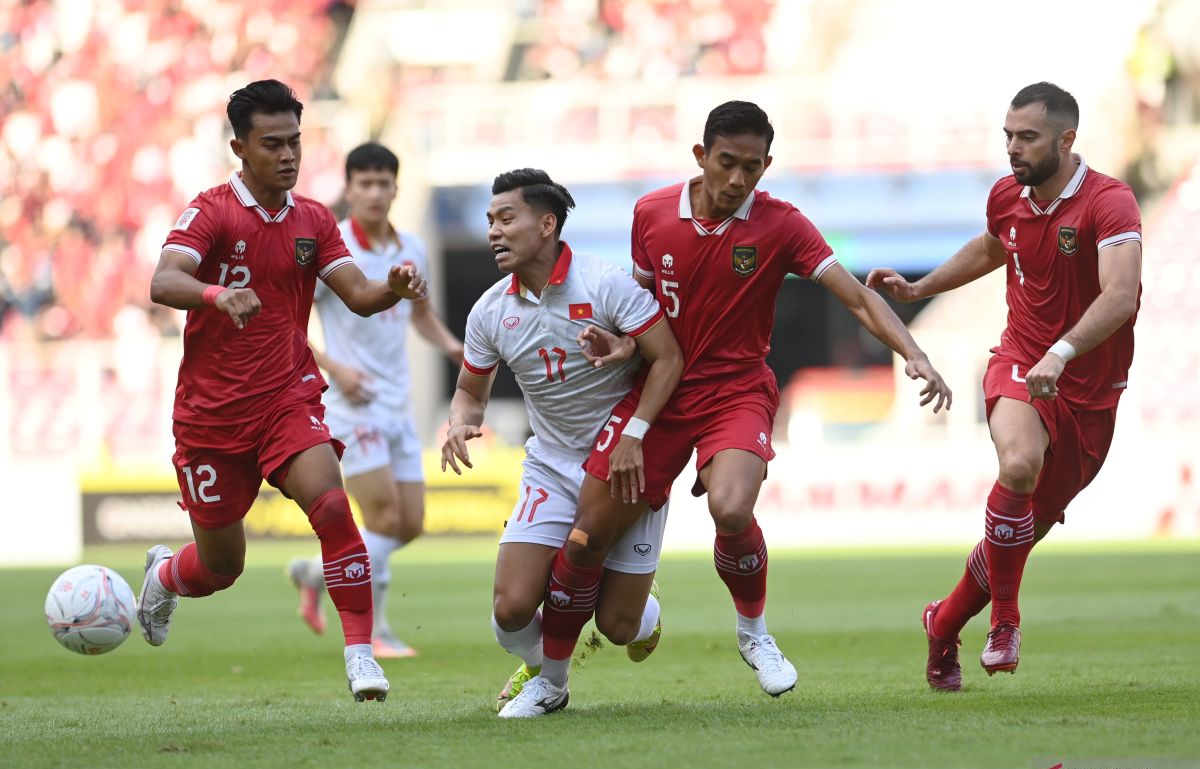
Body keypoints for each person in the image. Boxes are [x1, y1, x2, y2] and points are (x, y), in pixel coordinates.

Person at [529, 100, 952, 705]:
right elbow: (643, 307)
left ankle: (753, 633)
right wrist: (621, 342)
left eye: (752, 168)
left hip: (736, 391)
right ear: (700, 156)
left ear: (766, 165)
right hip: (660, 389)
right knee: (585, 542)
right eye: (726, 163)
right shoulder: (651, 213)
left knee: (730, 508)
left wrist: (914, 352)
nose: (737, 180)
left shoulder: (782, 224)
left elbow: (856, 298)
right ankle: (551, 681)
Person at [140, 79, 428, 702]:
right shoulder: (212, 210)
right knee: (221, 566)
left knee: (331, 508)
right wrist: (218, 294)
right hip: (211, 416)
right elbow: (164, 281)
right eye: (273, 144)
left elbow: (356, 294)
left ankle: (360, 655)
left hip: (286, 398)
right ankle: (165, 576)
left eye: (295, 142)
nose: (289, 155)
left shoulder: (314, 219)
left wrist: (394, 288)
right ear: (240, 148)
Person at [867, 82, 1143, 691]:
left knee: (1016, 538)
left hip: (1088, 390)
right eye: (1008, 136)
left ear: (1067, 140)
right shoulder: (1006, 195)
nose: (1013, 149)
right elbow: (994, 245)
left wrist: (1065, 351)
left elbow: (1120, 295)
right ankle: (1006, 622)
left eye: (1028, 138)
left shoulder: (1110, 202)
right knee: (1018, 464)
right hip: (1020, 359)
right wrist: (921, 289)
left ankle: (942, 624)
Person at [440, 168, 684, 718]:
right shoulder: (489, 311)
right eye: (490, 221)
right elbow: (469, 392)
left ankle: (641, 611)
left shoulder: (605, 284)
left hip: (624, 465)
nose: (494, 232)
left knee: (620, 629)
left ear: (547, 224)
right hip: (551, 465)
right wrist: (460, 421)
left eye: (507, 218)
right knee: (511, 610)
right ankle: (549, 676)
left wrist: (638, 432)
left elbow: (668, 357)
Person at [287, 142, 464, 659]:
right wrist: (334, 368)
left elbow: (419, 313)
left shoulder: (411, 247)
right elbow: (294, 323)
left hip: (397, 403)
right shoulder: (334, 247)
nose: (373, 192)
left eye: (382, 183)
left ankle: (318, 572)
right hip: (351, 404)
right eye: (363, 183)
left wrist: (454, 346)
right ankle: (378, 631)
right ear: (349, 188)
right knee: (384, 518)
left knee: (411, 523)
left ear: (395, 189)